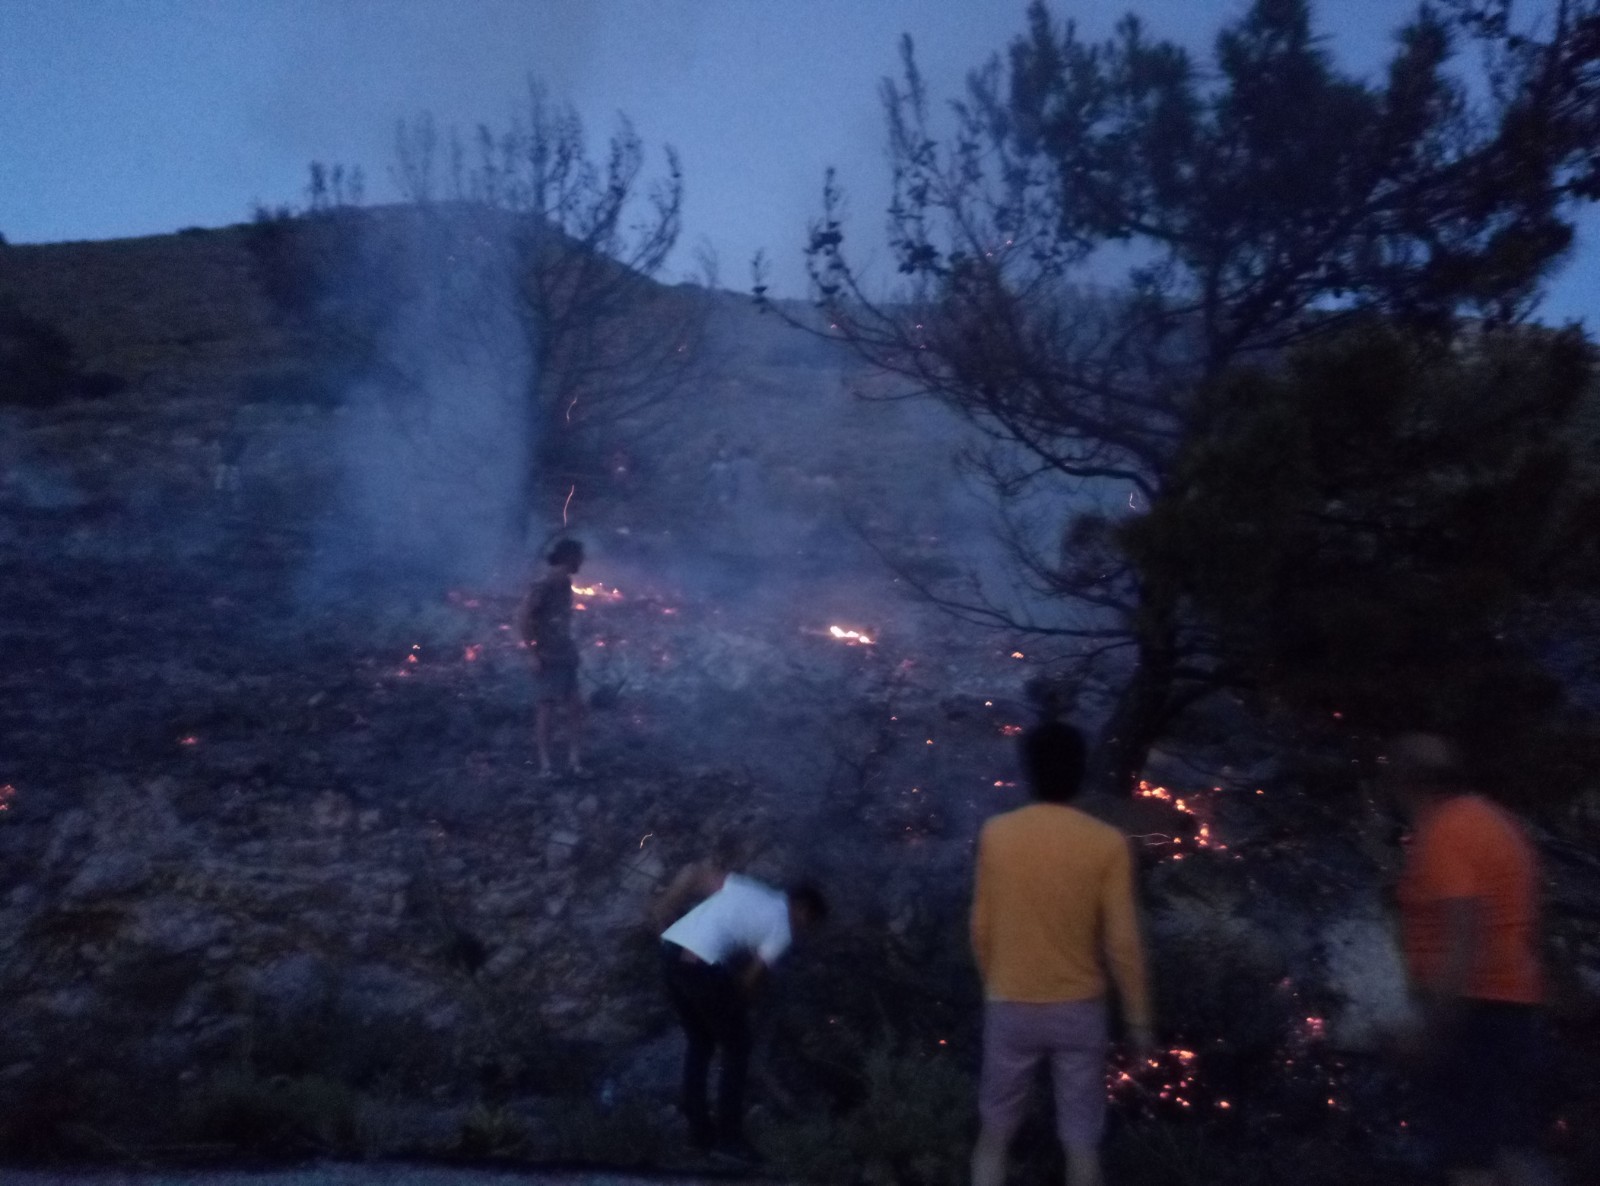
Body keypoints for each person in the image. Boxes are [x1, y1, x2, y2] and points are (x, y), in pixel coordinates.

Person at [970, 720, 1152, 1186]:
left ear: (1028, 771)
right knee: (1081, 1144)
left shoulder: (997, 834)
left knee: (994, 1137)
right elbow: (1122, 943)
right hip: (1079, 1010)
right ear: (1080, 771)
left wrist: (997, 984)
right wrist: (1137, 1021)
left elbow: (981, 928)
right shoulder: (1107, 843)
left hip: (1011, 1003)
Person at [1387, 733, 1552, 1186]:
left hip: (1475, 1014)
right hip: (1512, 1005)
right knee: (1502, 1149)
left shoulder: (1446, 834)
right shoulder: (1493, 821)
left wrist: (1432, 1029)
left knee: (1468, 1161)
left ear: (1404, 781)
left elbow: (1463, 938)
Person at [654, 863, 829, 1162]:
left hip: (671, 954)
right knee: (737, 1048)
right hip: (701, 966)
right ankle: (729, 1139)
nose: (804, 930)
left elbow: (694, 872)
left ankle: (698, 1134)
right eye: (808, 923)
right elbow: (751, 978)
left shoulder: (750, 888)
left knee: (700, 1043)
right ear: (801, 908)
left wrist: (662, 909)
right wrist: (741, 1003)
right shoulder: (783, 926)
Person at [518, 538, 586, 777]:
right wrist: (532, 654)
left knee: (575, 707)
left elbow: (562, 621)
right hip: (547, 656)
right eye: (579, 556)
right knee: (546, 709)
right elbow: (523, 619)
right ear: (569, 557)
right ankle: (546, 765)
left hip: (565, 655)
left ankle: (574, 762)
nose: (582, 561)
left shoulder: (566, 584)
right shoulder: (544, 585)